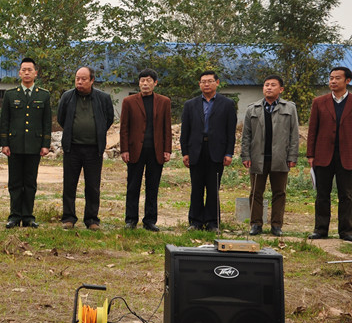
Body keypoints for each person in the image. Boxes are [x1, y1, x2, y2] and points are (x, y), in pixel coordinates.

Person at [240, 75, 299, 237]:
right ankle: (256, 224)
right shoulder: (253, 109)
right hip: (257, 158)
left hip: (280, 157)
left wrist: (292, 156)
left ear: (281, 89)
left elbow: (294, 135)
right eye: (266, 85)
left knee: (279, 192)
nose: (269, 88)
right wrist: (245, 155)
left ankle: (276, 225)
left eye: (273, 85)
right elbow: (246, 135)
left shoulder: (289, 108)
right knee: (255, 192)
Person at [57, 66, 114, 230]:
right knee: (69, 184)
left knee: (93, 186)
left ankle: (92, 219)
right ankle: (68, 218)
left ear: (92, 80)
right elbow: (61, 118)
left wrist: (97, 131)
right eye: (77, 79)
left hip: (93, 149)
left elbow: (108, 119)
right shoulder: (67, 97)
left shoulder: (103, 98)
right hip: (72, 148)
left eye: (83, 79)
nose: (79, 82)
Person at [180, 71, 237, 232]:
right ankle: (195, 221)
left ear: (217, 83)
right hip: (196, 150)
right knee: (196, 188)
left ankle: (212, 222)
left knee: (213, 188)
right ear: (199, 84)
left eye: (210, 81)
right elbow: (185, 131)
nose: (206, 84)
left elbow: (230, 131)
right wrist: (185, 152)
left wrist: (229, 153)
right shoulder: (190, 104)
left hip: (217, 151)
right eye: (203, 81)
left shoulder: (227, 104)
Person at [0, 58, 52, 229]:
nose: (27, 73)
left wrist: (45, 144)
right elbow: (5, 120)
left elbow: (46, 122)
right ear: (19, 73)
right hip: (14, 145)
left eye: (30, 70)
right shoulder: (10, 95)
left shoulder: (43, 95)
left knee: (30, 183)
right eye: (24, 70)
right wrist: (4, 143)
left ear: (36, 73)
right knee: (15, 183)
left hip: (34, 145)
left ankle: (28, 217)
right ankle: (14, 216)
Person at [119, 68, 171, 232]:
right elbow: (124, 128)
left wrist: (167, 149)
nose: (145, 84)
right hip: (135, 150)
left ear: (155, 83)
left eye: (148, 80)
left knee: (152, 187)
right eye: (142, 80)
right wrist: (124, 149)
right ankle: (131, 220)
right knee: (133, 186)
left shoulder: (164, 102)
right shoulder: (129, 101)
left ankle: (150, 220)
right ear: (139, 83)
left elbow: (167, 127)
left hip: (156, 150)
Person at [306, 66, 352, 241]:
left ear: (347, 80)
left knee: (346, 195)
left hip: (348, 156)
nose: (333, 81)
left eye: (337, 78)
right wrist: (311, 155)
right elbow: (312, 130)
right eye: (331, 78)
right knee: (322, 195)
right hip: (323, 155)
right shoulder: (319, 102)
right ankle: (320, 229)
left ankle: (346, 230)